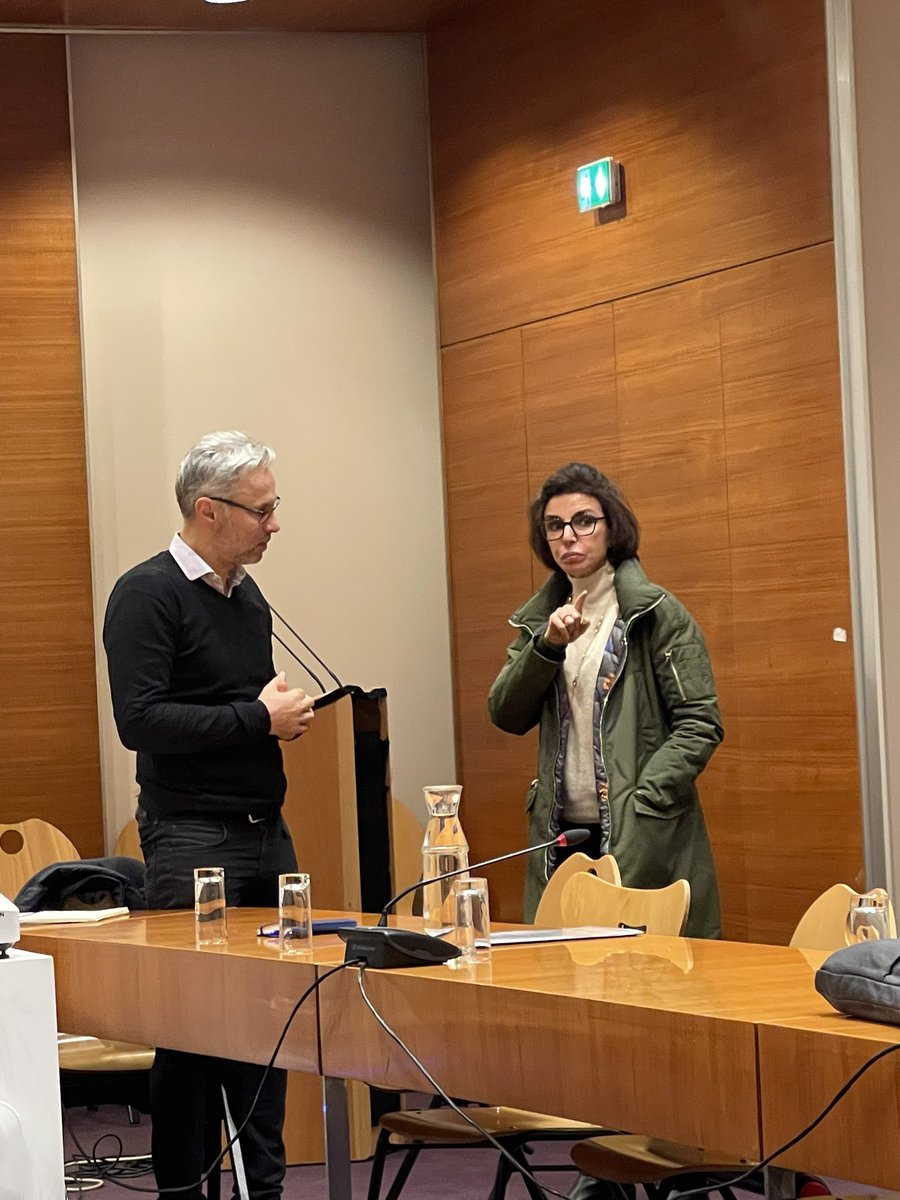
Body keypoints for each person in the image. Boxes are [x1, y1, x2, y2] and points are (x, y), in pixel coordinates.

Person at [103, 430, 315, 1199]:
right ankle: (185, 1191)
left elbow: (241, 709)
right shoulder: (146, 593)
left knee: (269, 1021)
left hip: (266, 829)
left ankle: (267, 1187)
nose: (274, 524)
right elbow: (142, 722)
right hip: (190, 837)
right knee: (192, 1032)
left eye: (274, 507)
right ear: (208, 510)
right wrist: (257, 720)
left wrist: (274, 717)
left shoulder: (246, 597)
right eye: (262, 510)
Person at [488, 462, 723, 938]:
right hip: (562, 832)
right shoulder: (540, 620)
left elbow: (700, 723)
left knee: (642, 977)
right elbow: (505, 713)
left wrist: (646, 798)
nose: (569, 537)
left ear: (611, 527)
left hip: (639, 830)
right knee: (562, 979)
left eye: (584, 521)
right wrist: (548, 647)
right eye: (555, 526)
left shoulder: (654, 613)